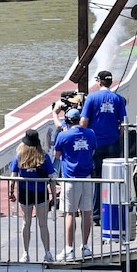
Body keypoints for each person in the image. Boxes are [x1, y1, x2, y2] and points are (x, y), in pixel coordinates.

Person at [80, 70, 127, 225]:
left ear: (99, 81)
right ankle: (113, 213)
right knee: (113, 179)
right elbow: (123, 125)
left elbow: (83, 123)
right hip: (113, 144)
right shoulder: (118, 99)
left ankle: (96, 215)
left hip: (96, 144)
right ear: (111, 82)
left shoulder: (92, 97)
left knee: (97, 179)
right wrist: (116, 138)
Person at [53, 108, 97, 261]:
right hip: (87, 176)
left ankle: (69, 249)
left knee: (70, 213)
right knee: (86, 212)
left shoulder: (63, 135)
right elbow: (92, 152)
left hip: (70, 178)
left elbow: (56, 155)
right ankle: (85, 247)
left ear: (67, 121)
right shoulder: (90, 133)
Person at [8, 129, 55, 263]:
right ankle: (47, 253)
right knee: (43, 224)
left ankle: (25, 253)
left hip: (25, 192)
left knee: (26, 223)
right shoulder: (44, 157)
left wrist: (11, 192)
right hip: (41, 192)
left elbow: (13, 177)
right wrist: (53, 195)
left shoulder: (19, 156)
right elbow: (51, 178)